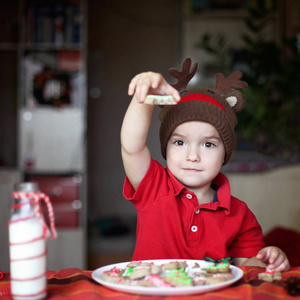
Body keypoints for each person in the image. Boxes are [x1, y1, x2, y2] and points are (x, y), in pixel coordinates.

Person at [120, 58, 290, 272]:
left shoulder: (240, 214)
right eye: (180, 142)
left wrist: (269, 260)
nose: (193, 156)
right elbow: (132, 147)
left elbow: (247, 267)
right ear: (166, 147)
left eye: (208, 144)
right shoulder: (154, 185)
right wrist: (143, 97)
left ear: (224, 154)